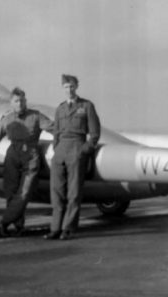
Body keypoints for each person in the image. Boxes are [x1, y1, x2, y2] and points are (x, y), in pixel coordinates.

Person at [0, 87, 52, 237]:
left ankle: (4, 222)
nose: (20, 104)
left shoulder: (36, 116)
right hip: (12, 155)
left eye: (22, 100)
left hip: (30, 155)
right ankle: (18, 226)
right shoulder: (7, 119)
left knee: (24, 193)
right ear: (11, 103)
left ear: (26, 101)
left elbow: (54, 128)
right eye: (16, 101)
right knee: (11, 192)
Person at [46, 74, 100, 240]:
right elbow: (56, 133)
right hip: (60, 151)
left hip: (77, 149)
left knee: (74, 192)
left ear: (76, 87)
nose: (69, 90)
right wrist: (56, 149)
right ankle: (55, 228)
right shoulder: (60, 109)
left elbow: (95, 133)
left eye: (71, 87)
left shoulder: (87, 106)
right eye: (66, 87)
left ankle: (68, 228)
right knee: (56, 192)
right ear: (63, 89)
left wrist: (84, 150)